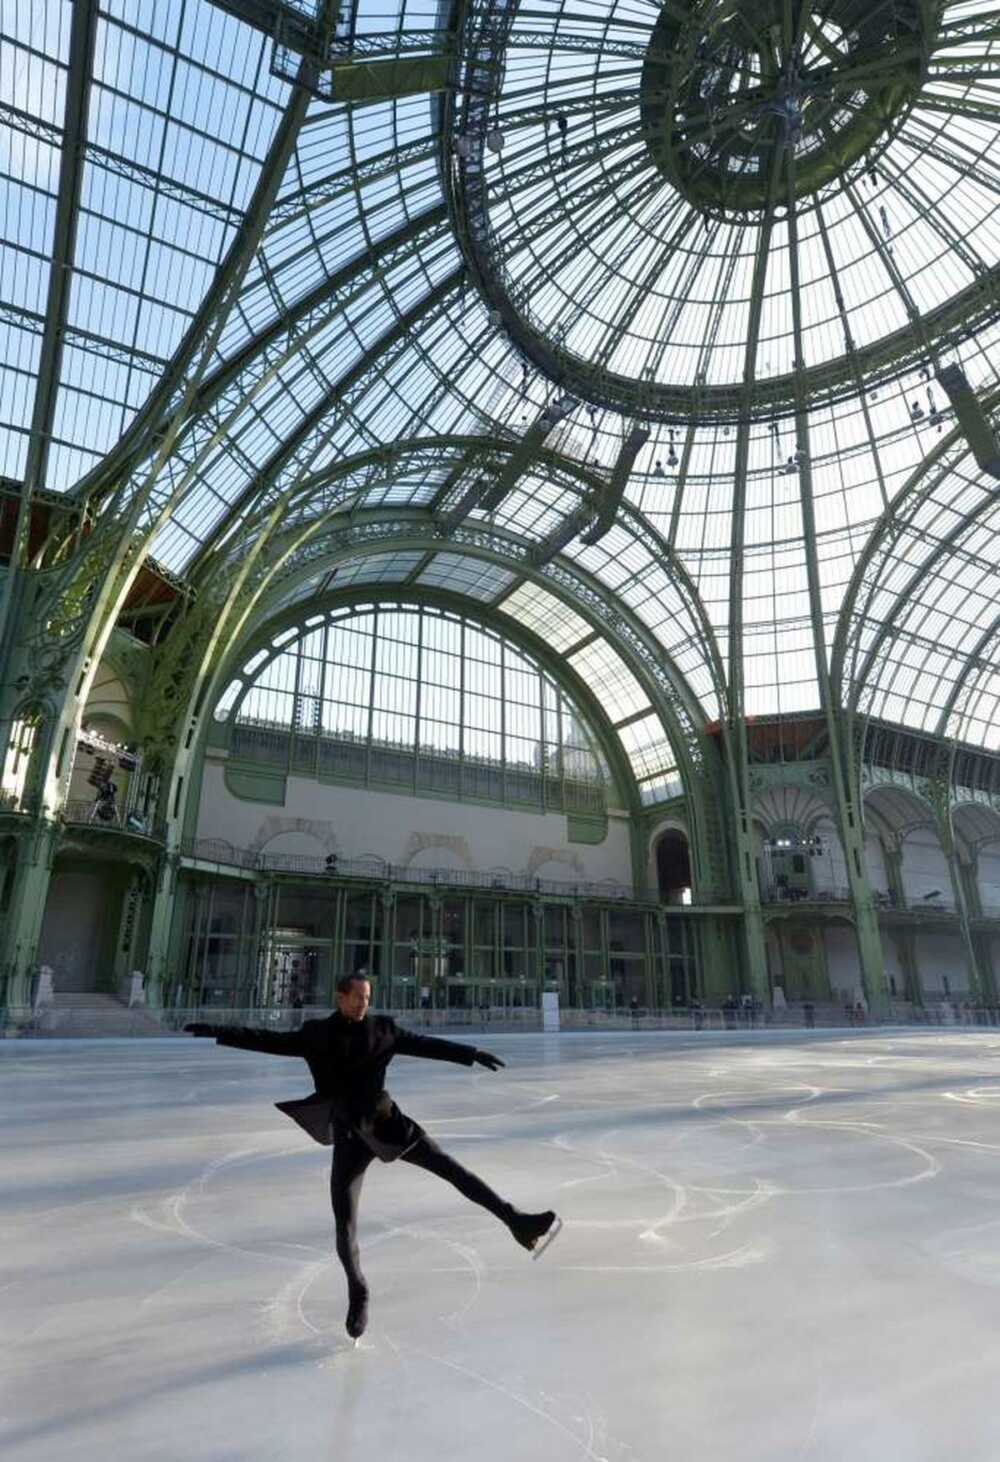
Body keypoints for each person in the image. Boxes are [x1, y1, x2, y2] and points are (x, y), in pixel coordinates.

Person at [185, 974, 560, 1341]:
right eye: (358, 997)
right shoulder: (316, 1034)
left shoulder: (383, 1030)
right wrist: (216, 1031)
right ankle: (358, 1290)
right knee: (344, 1223)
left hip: (387, 1124)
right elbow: (268, 1040)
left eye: (368, 997)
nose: (364, 1003)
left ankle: (517, 1222)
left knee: (452, 1170)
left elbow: (424, 1044)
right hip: (349, 1135)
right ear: (340, 997)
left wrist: (470, 1053)